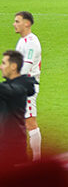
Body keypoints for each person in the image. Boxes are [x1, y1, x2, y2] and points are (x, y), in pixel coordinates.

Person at [13, 10, 41, 161]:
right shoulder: (22, 40)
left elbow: (27, 66)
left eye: (17, 21)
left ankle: (37, 159)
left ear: (27, 23)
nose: (14, 24)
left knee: (30, 122)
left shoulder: (31, 43)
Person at [0, 50, 36, 166]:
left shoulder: (18, 89)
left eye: (4, 63)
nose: (1, 67)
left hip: (11, 148)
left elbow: (9, 90)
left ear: (13, 66)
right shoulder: (18, 85)